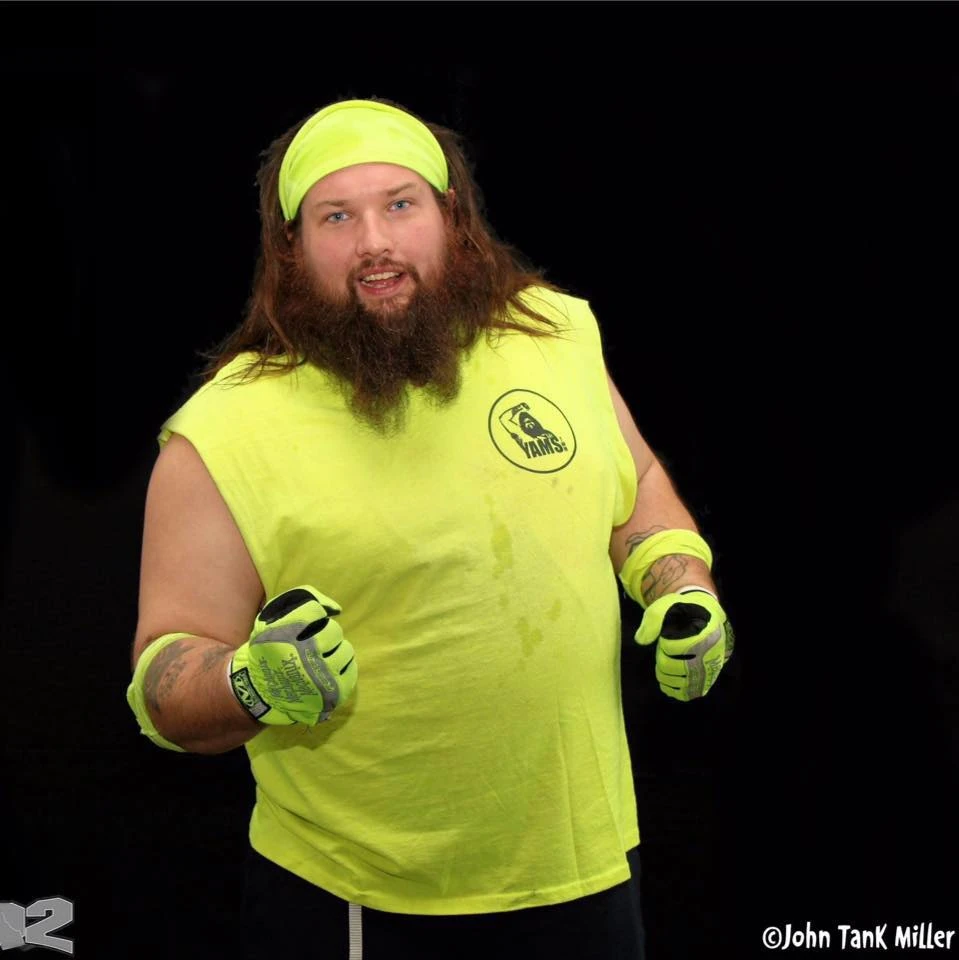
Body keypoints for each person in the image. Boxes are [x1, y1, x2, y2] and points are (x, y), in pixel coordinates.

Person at [126, 97, 734, 959]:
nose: (374, 241)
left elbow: (631, 484)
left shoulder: (555, 335)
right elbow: (164, 678)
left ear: (452, 217)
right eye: (337, 217)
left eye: (400, 204)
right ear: (290, 248)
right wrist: (249, 684)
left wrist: (679, 584)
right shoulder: (223, 432)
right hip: (365, 900)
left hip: (587, 867)